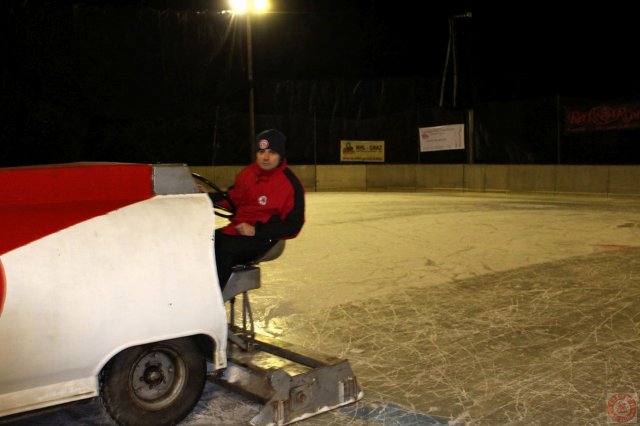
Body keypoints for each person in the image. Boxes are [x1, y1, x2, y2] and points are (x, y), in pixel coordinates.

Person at [207, 129, 305, 289]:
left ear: (281, 155)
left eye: (272, 152)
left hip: (266, 238)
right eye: (261, 152)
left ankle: (212, 300)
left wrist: (256, 230)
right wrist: (206, 197)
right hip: (238, 231)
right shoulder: (248, 174)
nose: (265, 157)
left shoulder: (290, 184)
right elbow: (233, 198)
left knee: (224, 253)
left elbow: (293, 225)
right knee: (202, 243)